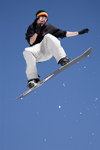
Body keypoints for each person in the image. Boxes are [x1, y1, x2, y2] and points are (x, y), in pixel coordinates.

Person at [23, 10, 89, 88]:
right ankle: (33, 79)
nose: (43, 21)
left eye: (45, 19)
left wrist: (78, 32)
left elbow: (63, 33)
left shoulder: (49, 27)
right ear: (37, 18)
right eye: (41, 19)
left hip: (47, 50)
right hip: (38, 53)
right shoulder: (31, 27)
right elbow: (31, 42)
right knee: (27, 51)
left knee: (48, 36)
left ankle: (62, 59)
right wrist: (36, 32)